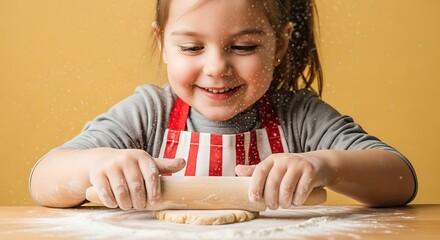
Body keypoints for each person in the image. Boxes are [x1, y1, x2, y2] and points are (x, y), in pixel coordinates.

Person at [29, 0, 417, 210]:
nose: (216, 67)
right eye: (191, 47)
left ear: (280, 44)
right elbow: (44, 180)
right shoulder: (149, 113)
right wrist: (97, 165)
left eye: (244, 47)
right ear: (163, 44)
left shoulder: (299, 116)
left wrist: (325, 165)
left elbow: (399, 180)